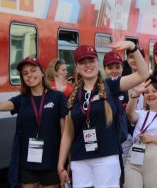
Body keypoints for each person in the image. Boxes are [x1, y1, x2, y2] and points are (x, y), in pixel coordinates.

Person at [57, 41, 149, 188]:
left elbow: (142, 74)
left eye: (91, 61)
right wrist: (61, 165)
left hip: (106, 157)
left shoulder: (110, 85)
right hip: (80, 159)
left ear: (97, 63)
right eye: (82, 62)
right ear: (77, 67)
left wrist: (133, 47)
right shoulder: (72, 96)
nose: (88, 65)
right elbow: (68, 133)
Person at [0, 57, 68, 188]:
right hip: (28, 163)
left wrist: (64, 162)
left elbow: (64, 133)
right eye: (25, 73)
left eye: (33, 71)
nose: (29, 75)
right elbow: (1, 105)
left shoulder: (57, 97)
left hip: (51, 162)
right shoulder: (21, 100)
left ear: (42, 73)